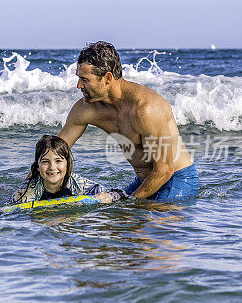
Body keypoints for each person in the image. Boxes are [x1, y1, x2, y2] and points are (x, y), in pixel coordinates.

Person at [59, 41, 198, 201]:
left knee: (143, 222)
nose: (78, 86)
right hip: (144, 181)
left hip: (177, 179)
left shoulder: (144, 109)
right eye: (79, 78)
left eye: (85, 80)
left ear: (107, 78)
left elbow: (165, 170)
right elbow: (54, 150)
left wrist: (128, 204)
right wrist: (29, 187)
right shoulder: (87, 109)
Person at [8, 135, 124, 205]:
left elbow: (120, 194)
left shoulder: (78, 184)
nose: (52, 167)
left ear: (68, 164)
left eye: (58, 161)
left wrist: (108, 197)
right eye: (45, 162)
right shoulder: (29, 191)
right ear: (37, 166)